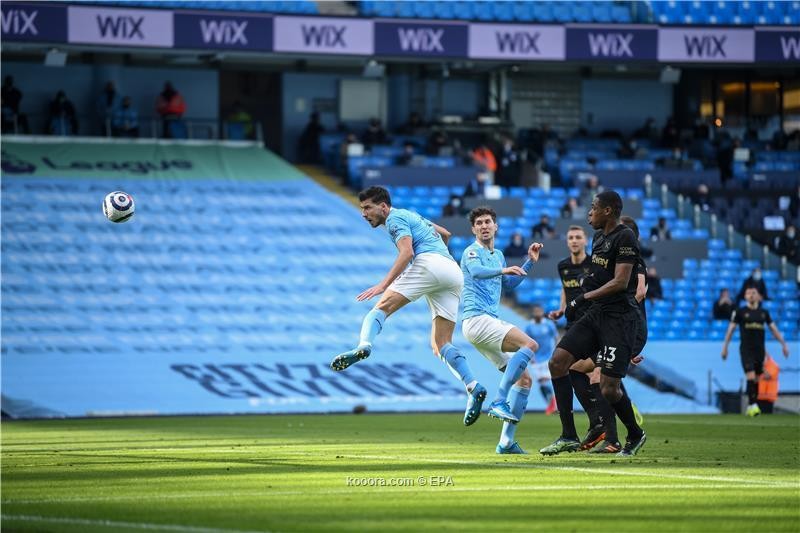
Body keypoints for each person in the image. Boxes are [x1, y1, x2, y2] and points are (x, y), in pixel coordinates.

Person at [330, 186, 485, 427]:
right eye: (362, 208)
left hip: (429, 263)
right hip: (452, 272)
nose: (364, 213)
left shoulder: (394, 219)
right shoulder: (413, 216)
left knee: (379, 309)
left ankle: (364, 346)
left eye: (368, 207)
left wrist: (383, 284)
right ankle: (473, 386)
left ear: (383, 206)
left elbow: (406, 252)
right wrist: (439, 260)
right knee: (440, 344)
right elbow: (445, 233)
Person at [540, 191, 647, 457]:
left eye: (594, 208)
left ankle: (634, 433)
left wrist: (583, 297)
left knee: (609, 388)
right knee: (558, 362)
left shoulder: (625, 237)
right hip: (596, 314)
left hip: (619, 319)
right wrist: (573, 303)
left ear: (608, 211)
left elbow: (621, 282)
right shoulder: (600, 237)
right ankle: (568, 435)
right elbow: (598, 276)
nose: (589, 213)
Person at [460, 206, 542, 453]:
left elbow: (508, 284)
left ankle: (505, 442)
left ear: (496, 227)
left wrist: (529, 263)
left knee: (525, 380)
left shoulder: (498, 255)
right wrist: (503, 269)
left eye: (488, 222)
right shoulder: (471, 252)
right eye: (479, 223)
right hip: (477, 320)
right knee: (530, 344)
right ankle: (498, 400)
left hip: (487, 323)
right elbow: (476, 273)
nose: (484, 226)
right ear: (474, 229)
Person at [721, 287, 790, 417]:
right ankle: (753, 405)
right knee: (751, 376)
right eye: (748, 293)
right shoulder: (740, 312)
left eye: (754, 293)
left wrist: (783, 345)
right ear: (745, 297)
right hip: (746, 350)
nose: (751, 295)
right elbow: (730, 330)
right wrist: (725, 347)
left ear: (759, 296)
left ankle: (751, 405)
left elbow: (774, 329)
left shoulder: (764, 313)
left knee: (757, 379)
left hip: (760, 351)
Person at [525, 305, 559, 414]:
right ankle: (551, 403)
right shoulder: (530, 326)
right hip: (536, 358)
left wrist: (557, 351)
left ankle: (552, 403)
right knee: (541, 382)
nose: (538, 313)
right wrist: (530, 356)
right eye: (536, 311)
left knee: (545, 380)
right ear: (533, 313)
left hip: (548, 357)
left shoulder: (549, 324)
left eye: (539, 311)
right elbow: (526, 341)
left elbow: (556, 337)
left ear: (543, 312)